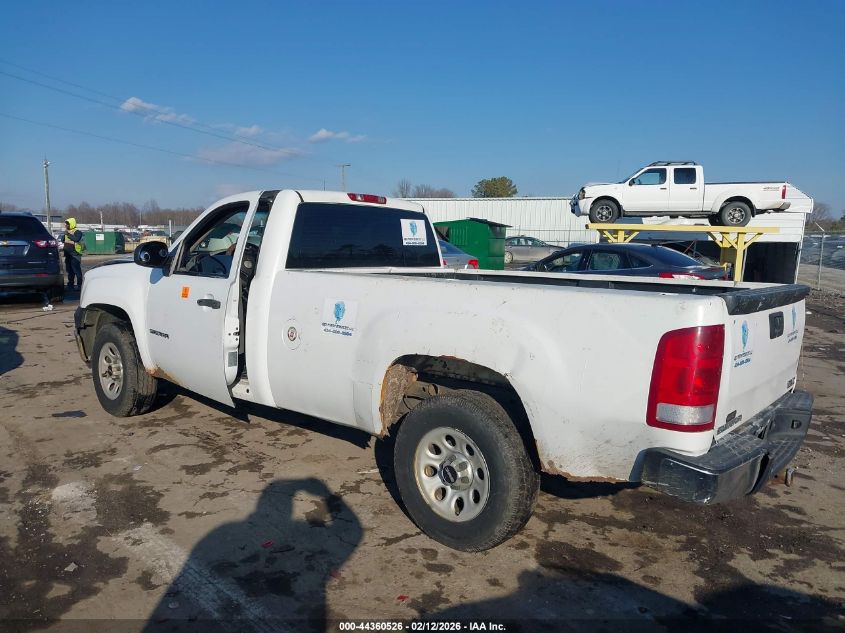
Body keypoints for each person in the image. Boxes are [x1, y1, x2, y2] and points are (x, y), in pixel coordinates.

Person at [62, 217, 84, 290]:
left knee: (76, 270)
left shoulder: (77, 232)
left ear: (71, 224)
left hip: (75, 254)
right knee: (69, 271)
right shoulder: (67, 232)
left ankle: (79, 285)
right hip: (68, 254)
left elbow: (76, 239)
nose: (66, 225)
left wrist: (68, 234)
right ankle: (70, 285)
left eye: (67, 224)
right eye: (65, 224)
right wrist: (65, 235)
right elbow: (62, 240)